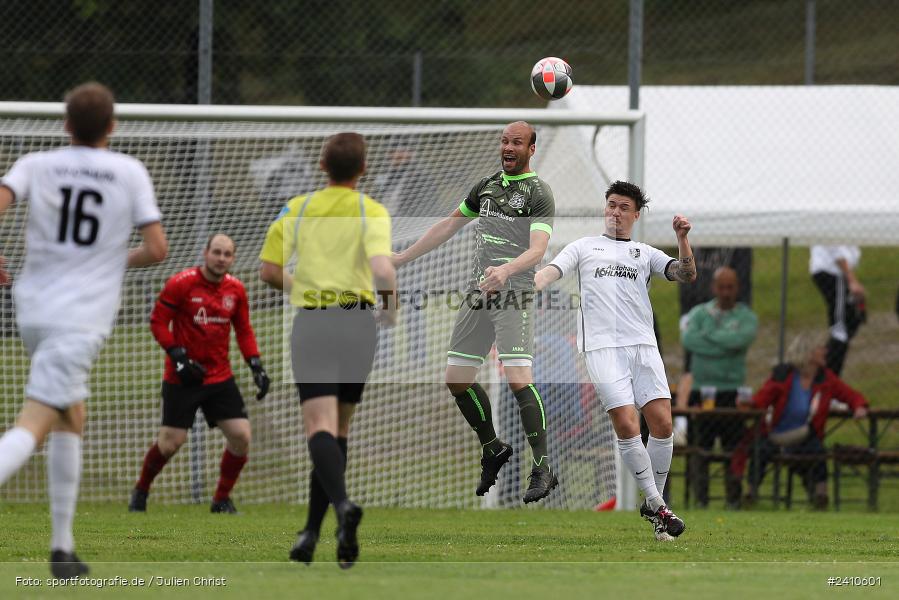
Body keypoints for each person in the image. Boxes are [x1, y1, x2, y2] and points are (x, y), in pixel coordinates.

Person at [0, 82, 168, 578]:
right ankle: (61, 547)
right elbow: (157, 248)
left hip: (31, 310)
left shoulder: (37, 162)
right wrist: (113, 260)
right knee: (34, 423)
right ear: (112, 127)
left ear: (66, 124)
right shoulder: (129, 171)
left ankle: (62, 549)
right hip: (79, 320)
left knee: (71, 415)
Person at [392, 121, 558, 503]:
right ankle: (493, 447)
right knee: (456, 378)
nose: (508, 147)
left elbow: (537, 250)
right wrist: (401, 257)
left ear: (531, 149)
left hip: (513, 293)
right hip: (477, 294)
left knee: (519, 379)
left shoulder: (538, 193)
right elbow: (448, 226)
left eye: (517, 142)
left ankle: (543, 466)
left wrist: (506, 270)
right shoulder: (485, 185)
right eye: (504, 141)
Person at [259, 132, 397, 568]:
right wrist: (390, 309)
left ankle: (340, 509)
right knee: (338, 431)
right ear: (363, 170)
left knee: (318, 428)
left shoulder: (296, 209)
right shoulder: (369, 209)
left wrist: (304, 287)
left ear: (321, 166)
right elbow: (381, 268)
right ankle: (313, 533)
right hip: (358, 324)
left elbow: (268, 270)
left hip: (314, 322)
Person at [535, 180, 696, 541]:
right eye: (611, 205)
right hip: (602, 347)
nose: (615, 212)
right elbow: (552, 271)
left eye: (624, 207)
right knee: (626, 423)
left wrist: (683, 238)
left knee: (662, 425)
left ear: (635, 215)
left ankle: (655, 509)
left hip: (643, 346)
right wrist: (532, 283)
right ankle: (657, 504)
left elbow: (686, 274)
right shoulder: (584, 247)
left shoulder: (644, 252)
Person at [128, 233, 270, 514]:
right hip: (183, 377)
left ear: (233, 258)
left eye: (227, 254)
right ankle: (141, 490)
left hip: (219, 377)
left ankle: (220, 500)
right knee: (171, 444)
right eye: (217, 252)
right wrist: (177, 355)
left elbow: (243, 330)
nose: (221, 259)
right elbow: (158, 322)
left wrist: (256, 364)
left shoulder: (236, 290)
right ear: (205, 253)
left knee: (241, 436)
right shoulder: (181, 284)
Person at [737, 332, 868, 509]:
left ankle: (821, 496)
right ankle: (750, 493)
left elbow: (850, 395)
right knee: (761, 451)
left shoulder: (826, 378)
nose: (825, 351)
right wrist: (748, 404)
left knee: (818, 451)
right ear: (808, 352)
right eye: (821, 348)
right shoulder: (783, 375)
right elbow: (761, 400)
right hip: (775, 433)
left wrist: (859, 406)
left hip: (804, 435)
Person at [680, 266, 758, 508]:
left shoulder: (746, 317)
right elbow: (689, 341)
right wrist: (725, 344)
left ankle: (733, 499)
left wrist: (709, 336)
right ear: (714, 288)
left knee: (732, 449)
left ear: (737, 288)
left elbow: (741, 340)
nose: (726, 292)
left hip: (732, 392)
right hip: (701, 391)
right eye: (721, 287)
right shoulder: (699, 313)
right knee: (700, 448)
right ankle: (700, 500)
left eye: (730, 287)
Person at [809, 245, 865, 375]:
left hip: (837, 272)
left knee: (851, 321)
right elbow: (835, 250)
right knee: (841, 329)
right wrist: (852, 280)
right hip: (833, 271)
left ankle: (826, 377)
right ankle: (825, 380)